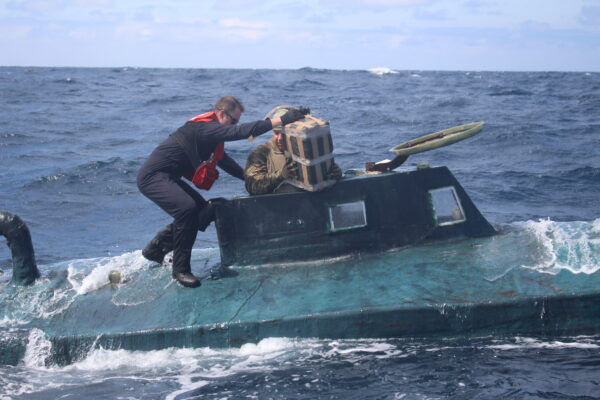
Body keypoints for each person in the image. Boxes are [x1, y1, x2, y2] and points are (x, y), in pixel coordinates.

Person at [137, 96, 307, 288]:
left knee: (204, 210)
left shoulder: (212, 136)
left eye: (236, 122)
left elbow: (224, 161)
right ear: (221, 113)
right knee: (186, 209)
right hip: (153, 177)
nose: (234, 125)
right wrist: (284, 119)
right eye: (232, 121)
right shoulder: (205, 128)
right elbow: (242, 132)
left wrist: (249, 178)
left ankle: (157, 249)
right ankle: (181, 270)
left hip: (168, 176)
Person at [244, 121, 342, 195]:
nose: (279, 138)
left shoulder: (307, 149)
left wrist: (333, 173)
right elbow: (251, 185)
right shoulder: (261, 153)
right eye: (276, 133)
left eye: (284, 134)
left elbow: (331, 169)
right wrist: (280, 176)